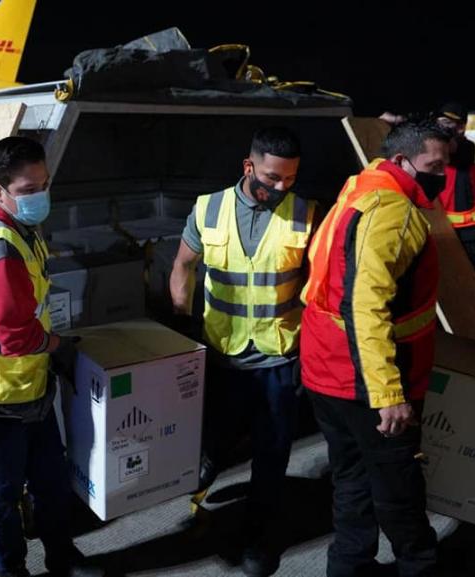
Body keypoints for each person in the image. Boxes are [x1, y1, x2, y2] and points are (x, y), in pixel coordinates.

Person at [0, 136, 101, 577]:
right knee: (0, 497)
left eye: (44, 185)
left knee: (50, 482)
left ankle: (62, 558)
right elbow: (13, 335)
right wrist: (57, 346)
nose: (40, 196)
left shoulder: (21, 227)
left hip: (26, 386)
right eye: (28, 190)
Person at [301, 121, 450, 577]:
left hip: (325, 370)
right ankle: (418, 566)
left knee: (351, 480)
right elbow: (365, 306)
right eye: (434, 166)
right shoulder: (394, 212)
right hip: (366, 381)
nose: (442, 175)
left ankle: (348, 566)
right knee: (398, 490)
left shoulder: (361, 186)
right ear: (403, 161)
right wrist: (388, 395)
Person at [170, 126, 317, 577]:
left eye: (290, 178)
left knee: (272, 455)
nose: (281, 186)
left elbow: (317, 287)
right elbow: (183, 266)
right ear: (248, 166)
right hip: (223, 354)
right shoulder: (208, 209)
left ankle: (259, 536)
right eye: (272, 177)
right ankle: (205, 472)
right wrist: (181, 328)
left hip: (278, 358)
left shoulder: (306, 213)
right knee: (216, 435)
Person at [435, 101, 475, 291]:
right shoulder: (435, 148)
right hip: (442, 228)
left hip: (471, 232)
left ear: (460, 127)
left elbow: (452, 148)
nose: (441, 127)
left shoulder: (468, 148)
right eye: (439, 122)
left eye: (447, 123)